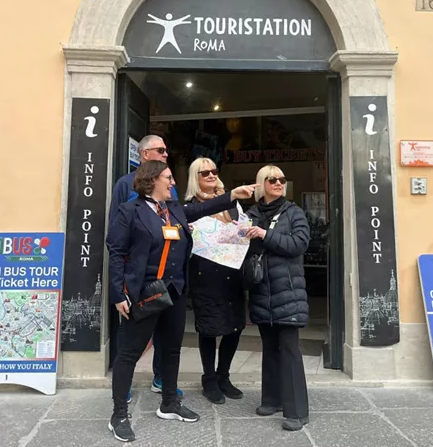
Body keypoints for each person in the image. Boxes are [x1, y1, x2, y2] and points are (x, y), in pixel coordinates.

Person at [106, 161, 257, 442]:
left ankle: (169, 403)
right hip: (144, 293)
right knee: (128, 354)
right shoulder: (130, 211)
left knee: (172, 349)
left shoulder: (173, 209)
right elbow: (116, 253)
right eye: (168, 178)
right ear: (152, 180)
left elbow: (201, 209)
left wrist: (232, 195)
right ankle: (119, 415)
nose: (173, 182)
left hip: (174, 291)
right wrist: (118, 294)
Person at [108, 134, 181, 402]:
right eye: (160, 150)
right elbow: (115, 234)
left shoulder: (168, 185)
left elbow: (176, 217)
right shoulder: (125, 185)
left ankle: (161, 378)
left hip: (167, 276)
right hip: (136, 277)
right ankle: (123, 384)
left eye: (166, 150)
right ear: (145, 154)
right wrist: (122, 282)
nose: (165, 154)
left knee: (166, 331)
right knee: (129, 335)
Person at [243, 164, 311, 431]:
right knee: (269, 347)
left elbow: (299, 244)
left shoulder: (294, 212)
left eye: (282, 179)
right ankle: (271, 399)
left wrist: (265, 235)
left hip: (288, 291)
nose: (279, 183)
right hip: (262, 291)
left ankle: (297, 411)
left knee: (290, 350)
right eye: (272, 179)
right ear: (262, 184)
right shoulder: (250, 214)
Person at [183, 157, 246, 404]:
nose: (210, 175)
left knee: (234, 326)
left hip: (233, 273)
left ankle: (224, 376)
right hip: (205, 274)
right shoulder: (188, 206)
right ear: (195, 178)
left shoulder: (233, 203)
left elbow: (241, 229)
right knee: (209, 328)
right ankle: (209, 378)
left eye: (213, 171)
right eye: (204, 172)